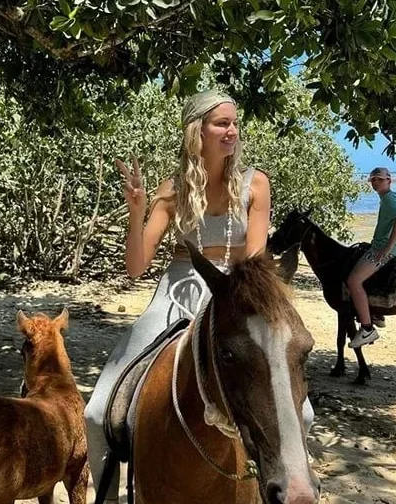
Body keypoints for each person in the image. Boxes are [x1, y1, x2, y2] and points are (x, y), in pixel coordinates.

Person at [83, 90, 272, 503]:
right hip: (175, 290)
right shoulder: (171, 190)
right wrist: (136, 211)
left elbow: (255, 264)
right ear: (197, 130)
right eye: (221, 123)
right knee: (95, 414)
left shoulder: (255, 185)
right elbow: (136, 266)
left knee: (301, 413)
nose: (232, 131)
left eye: (234, 123)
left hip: (234, 292)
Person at [347, 167, 396, 348]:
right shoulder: (390, 197)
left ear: (389, 180)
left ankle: (367, 328)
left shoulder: (389, 199)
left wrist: (387, 248)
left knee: (353, 281)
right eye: (373, 180)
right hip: (389, 247)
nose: (375, 183)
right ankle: (375, 312)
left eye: (379, 179)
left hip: (385, 250)